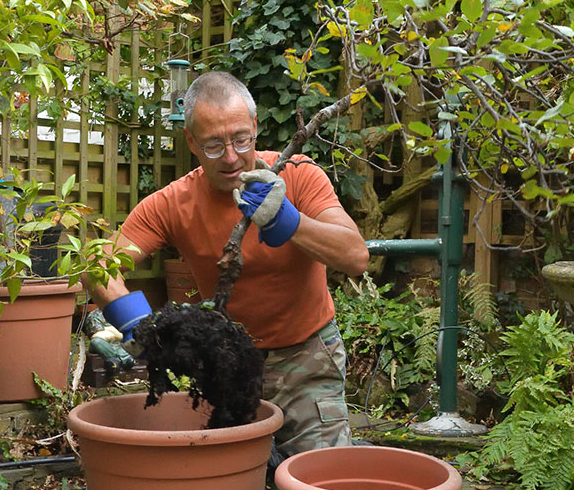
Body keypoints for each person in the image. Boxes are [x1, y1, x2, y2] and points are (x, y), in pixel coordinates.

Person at [87, 71, 369, 458]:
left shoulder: (297, 176)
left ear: (255, 126)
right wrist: (140, 327)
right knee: (229, 477)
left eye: (241, 139)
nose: (232, 157)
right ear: (191, 142)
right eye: (214, 145)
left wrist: (289, 221)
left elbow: (356, 256)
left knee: (320, 480)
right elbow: (98, 266)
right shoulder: (173, 203)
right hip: (226, 361)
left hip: (307, 356)